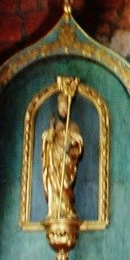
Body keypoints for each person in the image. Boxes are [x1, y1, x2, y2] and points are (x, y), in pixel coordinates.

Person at [41, 79, 83, 228]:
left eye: (66, 108)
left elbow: (78, 143)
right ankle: (54, 211)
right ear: (58, 108)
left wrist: (70, 145)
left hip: (65, 162)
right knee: (53, 181)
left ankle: (66, 209)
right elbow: (47, 140)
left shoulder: (73, 127)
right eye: (61, 108)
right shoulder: (54, 126)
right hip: (53, 163)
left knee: (64, 184)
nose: (63, 111)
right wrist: (52, 130)